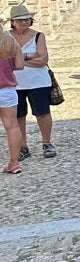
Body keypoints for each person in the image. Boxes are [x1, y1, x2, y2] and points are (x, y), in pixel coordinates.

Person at [9, 5, 55, 160]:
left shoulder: (38, 36)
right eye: (20, 20)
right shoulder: (6, 37)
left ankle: (46, 143)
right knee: (19, 116)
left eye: (26, 19)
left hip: (38, 82)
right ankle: (23, 146)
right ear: (13, 21)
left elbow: (42, 59)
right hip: (14, 83)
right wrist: (29, 56)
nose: (24, 22)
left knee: (42, 113)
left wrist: (18, 60)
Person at [0, 26, 26, 173]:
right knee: (12, 126)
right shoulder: (10, 42)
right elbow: (20, 65)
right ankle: (14, 163)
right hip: (7, 90)